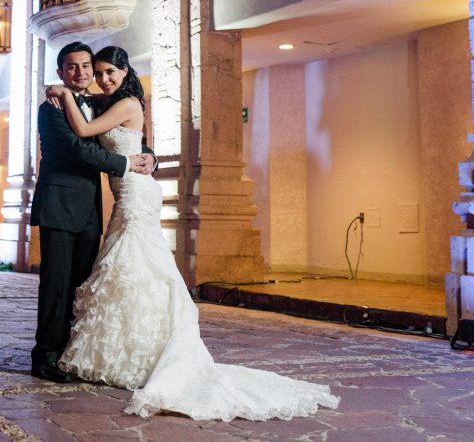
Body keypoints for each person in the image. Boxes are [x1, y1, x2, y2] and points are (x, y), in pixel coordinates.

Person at [47, 46, 340, 420]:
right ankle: (128, 350)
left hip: (136, 195)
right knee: (130, 271)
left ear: (125, 72)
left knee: (135, 267)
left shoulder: (127, 103)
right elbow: (127, 141)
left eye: (109, 72)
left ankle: (141, 356)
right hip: (127, 193)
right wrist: (145, 151)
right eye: (98, 72)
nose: (103, 78)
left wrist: (64, 93)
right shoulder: (108, 102)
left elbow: (86, 131)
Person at [30, 41, 156, 384]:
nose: (82, 73)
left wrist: (150, 157)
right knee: (56, 285)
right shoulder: (51, 108)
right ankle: (45, 357)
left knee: (80, 284)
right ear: (61, 72)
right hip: (59, 205)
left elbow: (125, 134)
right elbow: (77, 149)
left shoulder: (100, 103)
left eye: (87, 66)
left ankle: (70, 352)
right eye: (72, 67)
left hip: (90, 210)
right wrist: (126, 164)